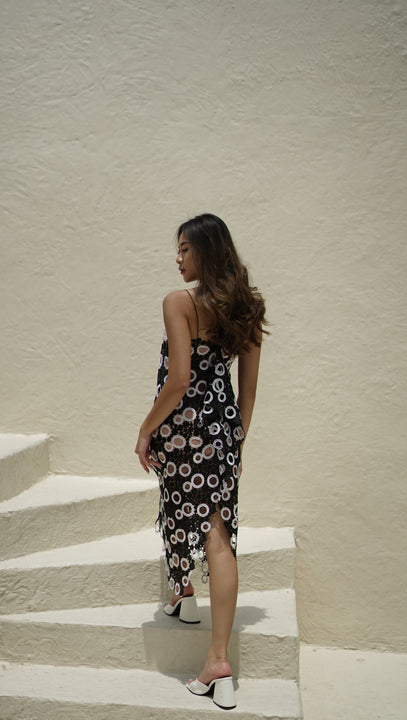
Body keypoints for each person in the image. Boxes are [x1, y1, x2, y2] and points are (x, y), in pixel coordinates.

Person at [135, 213, 267, 710]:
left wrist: (146, 429)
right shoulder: (247, 308)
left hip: (183, 428)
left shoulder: (179, 303)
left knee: (188, 514)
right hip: (223, 431)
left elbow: (178, 381)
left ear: (207, 252)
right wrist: (236, 441)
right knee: (216, 530)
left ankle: (216, 660)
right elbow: (248, 391)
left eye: (185, 249)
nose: (178, 258)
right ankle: (183, 595)